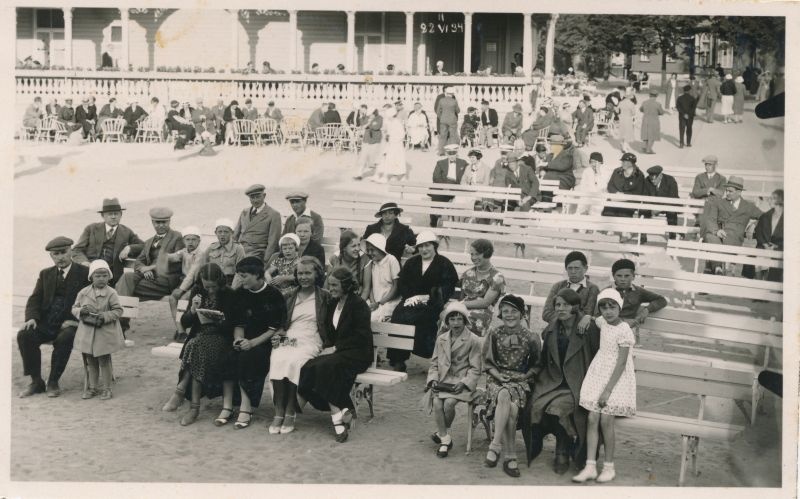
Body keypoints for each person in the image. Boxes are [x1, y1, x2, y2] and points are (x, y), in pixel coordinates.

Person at [526, 288, 601, 474]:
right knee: (533, 404)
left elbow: (599, 356)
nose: (560, 308)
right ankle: (537, 438)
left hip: (579, 383)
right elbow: (543, 359)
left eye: (565, 305)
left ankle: (562, 449)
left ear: (575, 307)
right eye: (557, 304)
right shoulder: (552, 328)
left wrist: (589, 317)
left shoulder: (588, 328)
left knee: (557, 409)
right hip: (553, 380)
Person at [297, 266, 373, 443]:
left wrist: (337, 347)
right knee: (310, 365)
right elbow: (330, 334)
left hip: (358, 353)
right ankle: (340, 410)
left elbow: (361, 336)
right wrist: (327, 346)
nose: (330, 289)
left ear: (345, 285)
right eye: (329, 285)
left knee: (325, 366)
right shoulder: (332, 303)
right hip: (338, 352)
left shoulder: (359, 305)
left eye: (334, 285)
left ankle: (336, 415)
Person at [572, 289, 636, 483]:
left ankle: (609, 466)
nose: (608, 311)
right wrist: (588, 317)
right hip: (599, 374)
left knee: (606, 420)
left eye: (612, 307)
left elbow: (622, 363)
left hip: (617, 379)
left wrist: (608, 390)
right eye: (604, 307)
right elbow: (594, 319)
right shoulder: (602, 322)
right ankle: (590, 466)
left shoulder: (624, 329)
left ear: (619, 307)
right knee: (592, 418)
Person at [17, 237, 90, 398]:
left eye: (63, 252)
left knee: (65, 338)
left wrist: (77, 321)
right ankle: (36, 382)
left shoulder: (85, 273)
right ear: (51, 256)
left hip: (72, 323)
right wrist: (32, 318)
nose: (60, 257)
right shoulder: (46, 274)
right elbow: (34, 299)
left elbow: (94, 302)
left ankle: (53, 381)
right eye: (55, 254)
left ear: (71, 251)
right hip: (47, 322)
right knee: (25, 335)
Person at [268, 256, 330, 434]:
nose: (303, 277)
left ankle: (290, 411)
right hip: (291, 335)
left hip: (311, 337)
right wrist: (279, 333)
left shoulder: (324, 296)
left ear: (317, 274)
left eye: (308, 273)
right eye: (300, 273)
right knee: (279, 358)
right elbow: (281, 322)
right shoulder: (289, 295)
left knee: (295, 361)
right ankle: (278, 410)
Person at [482, 294, 541, 478]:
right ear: (500, 313)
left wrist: (526, 375)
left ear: (522, 314)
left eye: (514, 311)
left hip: (520, 381)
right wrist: (497, 375)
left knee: (512, 409)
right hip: (496, 379)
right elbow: (488, 362)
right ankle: (509, 455)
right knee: (505, 397)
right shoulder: (494, 333)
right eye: (505, 311)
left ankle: (496, 446)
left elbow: (538, 365)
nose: (509, 315)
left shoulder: (531, 337)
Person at [228, 257, 287, 429]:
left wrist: (252, 343)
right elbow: (238, 323)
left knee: (249, 357)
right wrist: (238, 339)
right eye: (239, 275)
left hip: (266, 341)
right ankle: (229, 404)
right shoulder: (240, 293)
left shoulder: (274, 295)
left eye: (244, 275)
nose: (240, 279)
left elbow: (273, 328)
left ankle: (246, 407)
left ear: (258, 275)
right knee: (229, 354)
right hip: (244, 339)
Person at [389, 232, 458, 372]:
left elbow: (447, 287)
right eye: (420, 246)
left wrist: (426, 298)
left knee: (422, 319)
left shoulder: (444, 263)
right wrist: (410, 298)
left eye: (427, 246)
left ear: (434, 246)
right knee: (398, 316)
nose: (424, 250)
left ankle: (430, 355)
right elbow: (403, 283)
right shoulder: (411, 262)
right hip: (410, 302)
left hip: (433, 303)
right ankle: (398, 358)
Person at [425, 302, 483, 458]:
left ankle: (442, 435)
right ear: (447, 322)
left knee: (449, 403)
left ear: (465, 321)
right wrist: (433, 380)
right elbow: (434, 363)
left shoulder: (474, 340)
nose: (456, 323)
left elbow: (475, 369)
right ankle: (445, 438)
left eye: (459, 319)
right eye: (452, 319)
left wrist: (464, 382)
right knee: (437, 403)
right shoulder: (442, 339)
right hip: (443, 381)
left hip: (461, 381)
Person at [114, 208, 185, 334]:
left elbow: (176, 261)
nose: (161, 225)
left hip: (165, 280)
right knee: (127, 278)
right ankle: (121, 324)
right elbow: (138, 262)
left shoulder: (177, 237)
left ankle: (120, 325)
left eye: (164, 222)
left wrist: (150, 268)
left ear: (169, 222)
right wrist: (143, 269)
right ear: (152, 222)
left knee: (123, 289)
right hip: (148, 280)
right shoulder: (148, 242)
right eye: (158, 222)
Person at [172, 219, 245, 336]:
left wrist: (232, 290)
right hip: (208, 282)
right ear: (215, 233)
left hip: (229, 283)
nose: (222, 234)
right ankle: (181, 330)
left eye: (226, 232)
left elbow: (240, 272)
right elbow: (201, 267)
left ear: (232, 233)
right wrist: (196, 286)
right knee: (185, 299)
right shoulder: (211, 248)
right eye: (219, 231)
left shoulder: (238, 249)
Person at [71, 260, 125, 401]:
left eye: (104, 275)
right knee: (91, 361)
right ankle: (93, 387)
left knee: (104, 361)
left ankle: (107, 388)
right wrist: (81, 310)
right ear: (91, 277)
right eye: (97, 275)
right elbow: (74, 308)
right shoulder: (84, 292)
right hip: (87, 331)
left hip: (104, 333)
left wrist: (105, 316)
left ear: (109, 277)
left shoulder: (111, 293)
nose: (101, 278)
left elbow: (118, 311)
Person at [72, 198, 144, 286]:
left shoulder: (126, 231)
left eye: (116, 214)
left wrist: (129, 248)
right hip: (90, 273)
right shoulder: (91, 229)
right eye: (110, 214)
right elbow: (76, 250)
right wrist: (84, 262)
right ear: (103, 216)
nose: (113, 216)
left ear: (121, 215)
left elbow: (143, 245)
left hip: (113, 277)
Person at [701, 176, 763, 275]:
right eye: (726, 191)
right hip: (718, 237)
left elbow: (764, 217)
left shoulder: (748, 206)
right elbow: (710, 219)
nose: (727, 193)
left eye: (730, 191)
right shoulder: (719, 203)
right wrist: (717, 231)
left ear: (739, 192)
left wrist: (754, 224)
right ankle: (718, 268)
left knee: (716, 244)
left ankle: (719, 268)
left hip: (734, 239)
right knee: (710, 236)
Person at [602, 258, 667, 338]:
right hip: (608, 330)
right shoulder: (606, 292)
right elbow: (599, 315)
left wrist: (646, 310)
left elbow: (661, 300)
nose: (623, 279)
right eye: (619, 276)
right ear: (613, 276)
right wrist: (622, 321)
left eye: (627, 276)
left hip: (628, 332)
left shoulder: (638, 292)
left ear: (633, 276)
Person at [459, 239, 505, 335]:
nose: (474, 257)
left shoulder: (496, 277)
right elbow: (461, 295)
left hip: (482, 312)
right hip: (462, 307)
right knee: (447, 319)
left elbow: (485, 303)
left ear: (487, 253)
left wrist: (460, 305)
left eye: (477, 254)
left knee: (471, 322)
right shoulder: (468, 273)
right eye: (472, 254)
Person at [542, 251, 600, 324]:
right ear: (566, 269)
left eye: (577, 268)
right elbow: (546, 313)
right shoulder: (558, 286)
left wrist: (563, 316)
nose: (573, 272)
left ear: (585, 268)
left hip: (580, 331)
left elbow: (588, 314)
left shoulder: (592, 289)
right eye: (570, 268)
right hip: (557, 328)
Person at [165, 228, 203, 340]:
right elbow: (173, 257)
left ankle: (183, 329)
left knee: (183, 300)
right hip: (184, 283)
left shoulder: (201, 254)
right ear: (184, 240)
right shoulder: (184, 251)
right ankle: (180, 330)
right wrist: (162, 255)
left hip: (196, 283)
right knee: (172, 299)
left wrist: (181, 290)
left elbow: (191, 275)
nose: (190, 242)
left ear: (199, 241)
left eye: (193, 239)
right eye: (188, 239)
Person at [234, 184, 282, 263]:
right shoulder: (244, 212)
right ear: (249, 198)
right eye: (252, 197)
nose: (255, 200)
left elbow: (273, 242)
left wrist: (266, 261)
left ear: (264, 196)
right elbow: (235, 234)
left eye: (258, 197)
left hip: (258, 254)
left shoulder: (273, 214)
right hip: (240, 251)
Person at [742, 189, 784, 282]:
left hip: (780, 248)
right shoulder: (766, 216)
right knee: (758, 259)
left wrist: (777, 246)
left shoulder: (788, 217)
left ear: (780, 200)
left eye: (772, 198)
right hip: (763, 246)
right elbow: (758, 232)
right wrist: (764, 243)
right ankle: (759, 285)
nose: (769, 200)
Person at [361, 233, 401, 321]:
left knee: (373, 318)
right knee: (360, 314)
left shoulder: (391, 260)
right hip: (375, 301)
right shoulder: (372, 262)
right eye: (368, 250)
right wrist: (373, 301)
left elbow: (396, 286)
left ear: (380, 249)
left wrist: (380, 302)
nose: (370, 253)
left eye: (372, 250)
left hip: (389, 301)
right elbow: (370, 286)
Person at [429, 144, 467, 227]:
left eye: (453, 153)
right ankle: (434, 221)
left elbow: (466, 177)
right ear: (446, 154)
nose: (452, 156)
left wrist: (453, 187)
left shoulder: (463, 163)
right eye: (450, 154)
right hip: (443, 189)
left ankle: (457, 224)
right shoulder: (440, 163)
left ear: (456, 153)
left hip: (457, 189)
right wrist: (445, 187)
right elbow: (435, 177)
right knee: (436, 196)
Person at [602, 152, 646, 220]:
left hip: (629, 202)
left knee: (623, 216)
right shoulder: (617, 171)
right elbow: (610, 185)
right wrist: (616, 194)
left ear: (632, 163)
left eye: (626, 162)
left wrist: (624, 196)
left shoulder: (639, 175)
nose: (623, 163)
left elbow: (638, 192)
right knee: (607, 214)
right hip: (615, 199)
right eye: (623, 161)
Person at [645, 165, 680, 238]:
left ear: (660, 176)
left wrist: (660, 208)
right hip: (653, 206)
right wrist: (651, 207)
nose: (653, 181)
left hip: (668, 205)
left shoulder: (670, 180)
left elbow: (673, 198)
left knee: (672, 212)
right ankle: (642, 236)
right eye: (651, 179)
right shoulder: (647, 181)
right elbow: (645, 196)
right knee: (643, 210)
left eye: (655, 179)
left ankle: (672, 235)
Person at [374, 106, 407, 183]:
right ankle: (389, 176)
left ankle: (400, 176)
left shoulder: (397, 123)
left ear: (392, 115)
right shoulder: (390, 122)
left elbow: (402, 134)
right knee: (389, 160)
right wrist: (387, 136)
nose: (388, 118)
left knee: (397, 161)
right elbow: (388, 132)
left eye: (389, 116)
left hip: (397, 145)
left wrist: (393, 139)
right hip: (391, 144)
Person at [265, 233, 302, 298]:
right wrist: (268, 277)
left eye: (290, 248)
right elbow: (268, 271)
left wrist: (283, 278)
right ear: (281, 250)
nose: (287, 251)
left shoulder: (299, 261)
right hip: (278, 287)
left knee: (279, 296)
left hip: (291, 288)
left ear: (296, 248)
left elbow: (298, 276)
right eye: (285, 249)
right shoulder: (279, 261)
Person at [353, 108, 383, 180]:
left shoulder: (379, 118)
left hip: (375, 140)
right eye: (369, 114)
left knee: (375, 158)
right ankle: (359, 174)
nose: (369, 116)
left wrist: (369, 124)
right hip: (366, 140)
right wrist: (368, 123)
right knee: (362, 157)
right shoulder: (366, 117)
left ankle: (376, 175)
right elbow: (362, 125)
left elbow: (377, 126)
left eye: (371, 114)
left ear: (375, 113)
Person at [435, 88, 460, 155]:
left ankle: (441, 152)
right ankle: (452, 152)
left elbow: (438, 112)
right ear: (452, 94)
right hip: (452, 120)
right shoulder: (454, 101)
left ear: (446, 93)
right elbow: (458, 111)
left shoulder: (441, 100)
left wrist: (442, 117)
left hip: (443, 120)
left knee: (442, 136)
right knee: (453, 136)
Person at [639, 90, 664, 154]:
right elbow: (661, 112)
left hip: (645, 119)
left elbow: (641, 109)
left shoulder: (644, 102)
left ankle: (644, 147)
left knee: (645, 134)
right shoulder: (658, 104)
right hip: (654, 120)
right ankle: (648, 149)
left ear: (649, 95)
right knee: (652, 135)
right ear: (656, 96)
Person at [617, 89, 637, 154]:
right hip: (628, 118)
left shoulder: (621, 102)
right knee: (627, 133)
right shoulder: (631, 104)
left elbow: (617, 111)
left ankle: (623, 144)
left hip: (621, 118)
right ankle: (624, 147)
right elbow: (633, 113)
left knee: (623, 132)